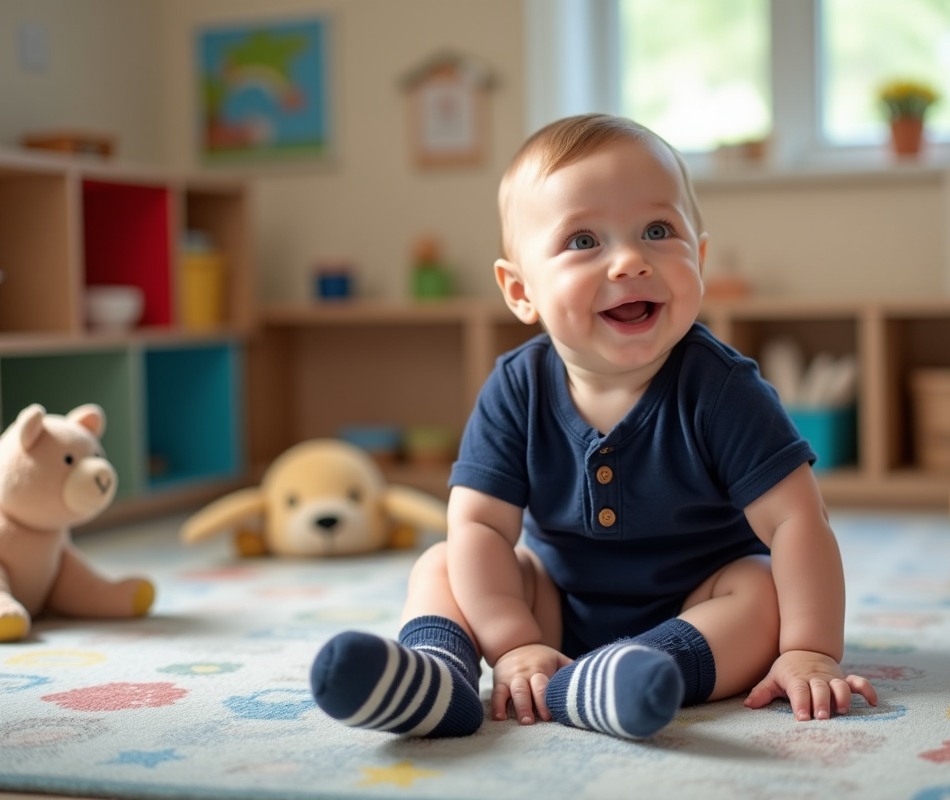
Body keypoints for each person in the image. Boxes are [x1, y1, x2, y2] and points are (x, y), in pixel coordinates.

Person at [309, 113, 878, 740]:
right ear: (520, 290)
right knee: (443, 563)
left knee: (763, 588)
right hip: (553, 604)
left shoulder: (722, 388)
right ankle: (438, 677)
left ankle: (626, 678)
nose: (631, 260)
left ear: (701, 256)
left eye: (658, 231)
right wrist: (515, 642)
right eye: (584, 241)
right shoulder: (516, 388)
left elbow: (798, 521)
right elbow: (481, 525)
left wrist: (809, 649)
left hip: (696, 607)